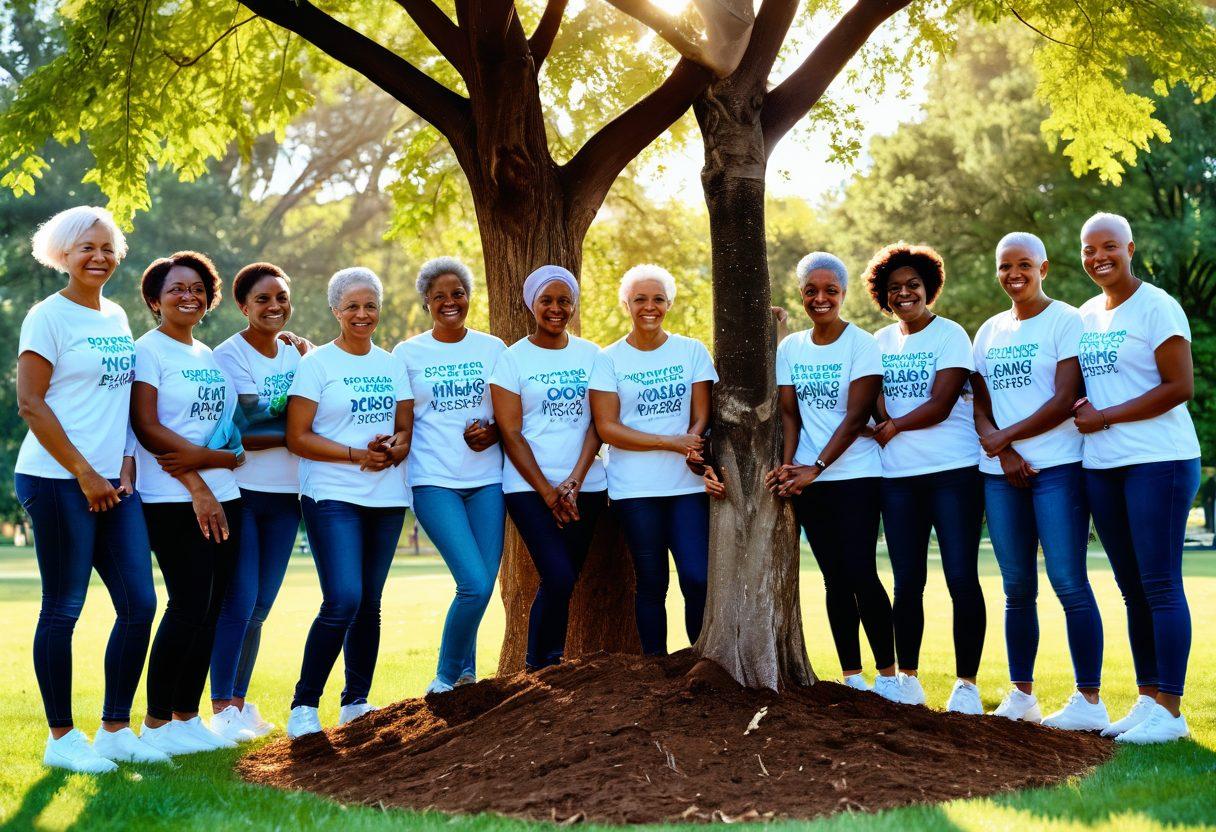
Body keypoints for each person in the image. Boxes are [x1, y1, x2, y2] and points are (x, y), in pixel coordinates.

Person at [15, 206, 162, 772]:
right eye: (86, 249)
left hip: (112, 483)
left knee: (139, 603)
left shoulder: (118, 315)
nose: (98, 257)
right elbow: (32, 403)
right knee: (64, 607)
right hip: (57, 480)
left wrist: (124, 464)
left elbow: (119, 398)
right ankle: (61, 739)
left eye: (107, 248)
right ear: (63, 255)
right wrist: (84, 473)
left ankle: (115, 728)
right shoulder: (46, 318)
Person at [1074, 213, 1202, 744]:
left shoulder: (1157, 306)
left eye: (1108, 247)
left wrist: (1105, 416)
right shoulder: (1084, 315)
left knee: (1161, 585)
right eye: (1088, 249)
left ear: (1129, 247)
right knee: (1132, 590)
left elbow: (1180, 386)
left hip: (1160, 461)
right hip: (1104, 466)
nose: (1098, 257)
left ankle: (1171, 711)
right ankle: (1148, 700)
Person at [971, 232, 1107, 731]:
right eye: (1005, 266)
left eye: (1024, 264)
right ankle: (1022, 694)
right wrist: (1002, 450)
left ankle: (1089, 700)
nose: (1014, 274)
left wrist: (1007, 438)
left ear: (1044, 268)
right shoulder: (987, 331)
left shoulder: (1066, 320)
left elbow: (1065, 396)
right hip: (1000, 475)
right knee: (1016, 587)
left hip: (1059, 469)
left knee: (1069, 582)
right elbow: (978, 401)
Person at [284, 267, 413, 739]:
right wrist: (358, 453)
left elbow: (405, 428)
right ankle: (303, 706)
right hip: (331, 495)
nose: (363, 314)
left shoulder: (391, 363)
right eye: (353, 306)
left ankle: (356, 703)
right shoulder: (317, 365)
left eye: (370, 305)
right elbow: (297, 438)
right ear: (335, 310)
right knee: (343, 597)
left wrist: (393, 448)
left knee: (370, 603)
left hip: (385, 497)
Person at [767, 252, 900, 701]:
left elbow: (855, 415)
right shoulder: (790, 349)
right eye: (811, 290)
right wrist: (789, 468)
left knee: (862, 571)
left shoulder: (861, 344)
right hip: (808, 482)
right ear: (801, 294)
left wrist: (815, 468)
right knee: (833, 580)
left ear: (843, 295)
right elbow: (790, 416)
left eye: (830, 291)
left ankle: (888, 676)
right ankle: (852, 678)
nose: (820, 298)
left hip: (856, 476)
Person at [131, 251, 248, 756]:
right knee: (186, 605)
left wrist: (222, 464)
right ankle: (156, 724)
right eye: (177, 288)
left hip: (227, 496)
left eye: (197, 288)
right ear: (155, 300)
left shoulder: (207, 356)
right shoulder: (148, 351)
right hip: (173, 497)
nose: (188, 295)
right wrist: (202, 476)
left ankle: (185, 717)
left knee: (212, 607)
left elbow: (222, 425)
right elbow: (149, 428)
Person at [863, 244, 985, 712]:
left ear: (928, 287)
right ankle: (907, 679)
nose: (904, 293)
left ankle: (967, 685)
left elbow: (941, 400)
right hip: (898, 478)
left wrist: (892, 425)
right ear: (884, 295)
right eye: (894, 288)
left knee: (959, 576)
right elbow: (871, 393)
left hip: (953, 473)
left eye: (913, 285)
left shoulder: (950, 334)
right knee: (907, 580)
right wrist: (880, 416)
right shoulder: (878, 342)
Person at [589, 264, 717, 655]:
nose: (649, 306)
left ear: (669, 304)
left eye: (658, 299)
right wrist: (670, 442)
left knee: (696, 578)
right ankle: (655, 669)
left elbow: (702, 413)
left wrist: (692, 441)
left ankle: (700, 661)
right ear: (626, 303)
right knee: (651, 582)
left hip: (687, 488)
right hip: (635, 490)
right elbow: (608, 428)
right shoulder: (607, 359)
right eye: (640, 299)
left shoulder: (691, 351)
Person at [393, 257, 506, 694]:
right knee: (474, 583)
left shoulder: (493, 349)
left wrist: (491, 432)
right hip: (433, 480)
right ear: (426, 303)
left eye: (457, 293)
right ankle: (443, 680)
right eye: (439, 296)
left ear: (468, 297)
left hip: (487, 482)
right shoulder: (408, 354)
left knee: (480, 583)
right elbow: (403, 420)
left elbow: (509, 416)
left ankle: (466, 680)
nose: (449, 302)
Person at [490, 265, 608, 671]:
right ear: (531, 304)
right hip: (527, 489)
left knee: (564, 579)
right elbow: (510, 431)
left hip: (587, 487)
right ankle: (541, 666)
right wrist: (548, 492)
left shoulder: (593, 355)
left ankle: (543, 665)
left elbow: (598, 424)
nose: (556, 308)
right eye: (547, 300)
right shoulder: (512, 359)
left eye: (564, 301)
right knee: (557, 575)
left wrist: (574, 482)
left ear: (573, 306)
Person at [208, 263, 308, 740]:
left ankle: (240, 703)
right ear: (243, 306)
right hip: (242, 494)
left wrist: (298, 429)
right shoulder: (229, 356)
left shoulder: (296, 355)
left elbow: (314, 412)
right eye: (263, 300)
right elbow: (247, 429)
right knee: (239, 600)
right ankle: (221, 707)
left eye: (281, 298)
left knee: (262, 605)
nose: (274, 307)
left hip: (287, 496)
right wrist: (300, 430)